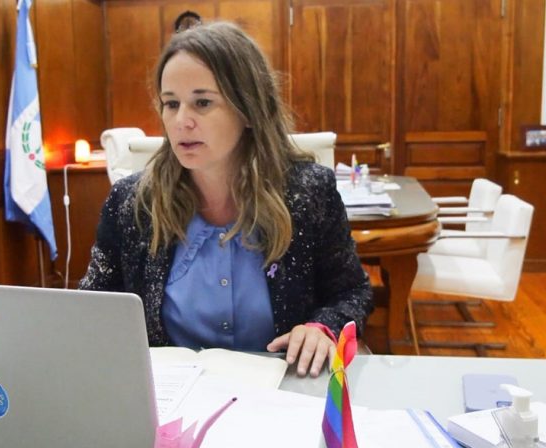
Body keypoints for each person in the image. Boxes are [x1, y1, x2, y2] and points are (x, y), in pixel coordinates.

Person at [79, 22, 373, 377]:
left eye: (202, 102)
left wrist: (322, 328)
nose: (180, 121)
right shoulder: (132, 203)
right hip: (172, 402)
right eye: (171, 104)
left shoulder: (308, 192)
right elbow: (95, 309)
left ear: (248, 110)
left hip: (285, 395)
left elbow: (351, 292)